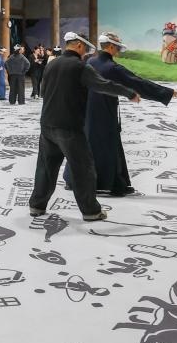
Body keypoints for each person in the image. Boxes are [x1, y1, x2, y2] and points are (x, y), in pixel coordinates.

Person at [30, 31, 139, 222]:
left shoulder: (52, 64)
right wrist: (129, 93)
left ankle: (37, 205)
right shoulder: (80, 67)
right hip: (70, 127)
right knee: (83, 169)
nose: (86, 52)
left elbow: (43, 91)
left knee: (46, 168)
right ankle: (91, 211)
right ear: (79, 45)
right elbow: (103, 85)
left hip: (47, 124)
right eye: (86, 48)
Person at [65, 32, 177, 198]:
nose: (119, 50)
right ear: (112, 47)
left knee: (86, 144)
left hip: (86, 110)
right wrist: (166, 92)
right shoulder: (112, 68)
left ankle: (74, 179)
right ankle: (108, 183)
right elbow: (138, 83)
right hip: (104, 111)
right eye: (118, 47)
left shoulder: (89, 62)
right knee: (107, 145)